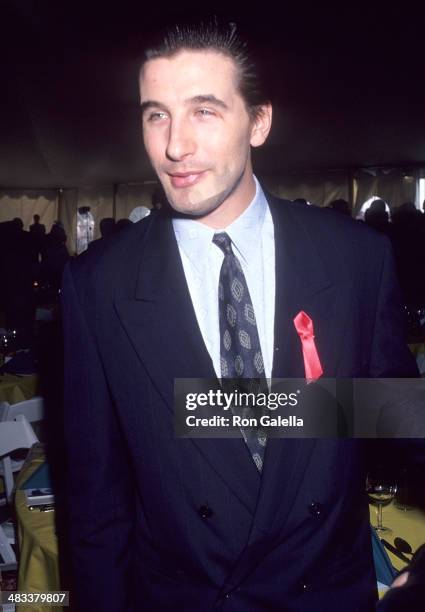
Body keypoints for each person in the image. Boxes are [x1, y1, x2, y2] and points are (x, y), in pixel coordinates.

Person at [61, 18, 419, 612]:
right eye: (156, 114)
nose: (174, 145)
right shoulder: (99, 284)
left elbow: (399, 420)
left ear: (260, 122)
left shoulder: (356, 258)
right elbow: (97, 507)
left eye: (204, 111)